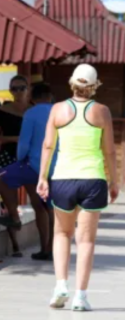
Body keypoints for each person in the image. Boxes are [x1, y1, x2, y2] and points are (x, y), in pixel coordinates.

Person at [37, 64, 118, 311]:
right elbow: (110, 151)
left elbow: (48, 146)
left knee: (61, 234)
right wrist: (113, 181)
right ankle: (80, 296)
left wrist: (42, 177)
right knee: (86, 241)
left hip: (62, 178)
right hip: (93, 180)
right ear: (94, 86)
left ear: (72, 83)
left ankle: (61, 285)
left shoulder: (58, 110)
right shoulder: (102, 111)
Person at [0, 83, 56, 261]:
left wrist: (20, 158)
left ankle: (14, 215)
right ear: (49, 96)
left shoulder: (31, 113)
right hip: (59, 167)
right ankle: (49, 248)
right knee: (49, 208)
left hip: (34, 166)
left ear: (33, 96)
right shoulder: (62, 112)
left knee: (3, 176)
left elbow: (24, 143)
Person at [0, 75, 31, 257]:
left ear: (28, 89)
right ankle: (16, 245)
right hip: (7, 155)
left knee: (39, 202)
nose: (18, 92)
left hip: (30, 158)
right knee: (9, 202)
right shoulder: (3, 111)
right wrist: (18, 139)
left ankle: (48, 245)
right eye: (14, 89)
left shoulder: (34, 111)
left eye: (21, 88)